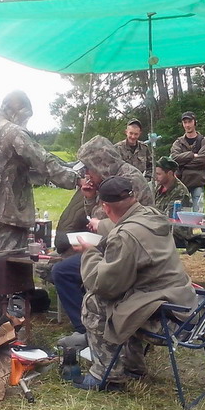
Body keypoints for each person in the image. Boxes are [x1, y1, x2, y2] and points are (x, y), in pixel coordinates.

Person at [71, 176, 196, 391]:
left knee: (95, 302)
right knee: (130, 298)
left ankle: (107, 375)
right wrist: (102, 226)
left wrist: (90, 253)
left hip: (166, 319)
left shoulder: (125, 237)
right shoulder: (152, 215)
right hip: (184, 306)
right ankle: (133, 367)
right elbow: (125, 224)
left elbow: (104, 285)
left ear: (105, 207)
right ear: (134, 196)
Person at [53, 135, 153, 340]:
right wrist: (90, 198)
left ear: (100, 164)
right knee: (63, 263)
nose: (86, 174)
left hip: (129, 250)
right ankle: (90, 324)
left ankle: (86, 331)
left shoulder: (127, 181)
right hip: (115, 244)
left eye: (89, 168)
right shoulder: (109, 178)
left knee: (63, 271)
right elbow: (97, 219)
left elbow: (111, 222)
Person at [0, 90, 79, 252]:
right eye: (26, 116)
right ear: (19, 111)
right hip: (9, 211)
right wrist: (74, 179)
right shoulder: (14, 132)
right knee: (10, 260)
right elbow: (43, 161)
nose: (25, 121)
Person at [170, 111, 205, 212]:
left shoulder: (204, 141)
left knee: (198, 213)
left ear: (195, 122)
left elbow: (204, 160)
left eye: (190, 122)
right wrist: (192, 155)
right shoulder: (178, 143)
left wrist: (183, 163)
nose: (187, 125)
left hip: (198, 181)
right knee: (180, 214)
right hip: (181, 183)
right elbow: (174, 159)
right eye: (185, 122)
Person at [152, 155, 192, 248]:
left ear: (169, 173)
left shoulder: (180, 192)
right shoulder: (159, 187)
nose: (155, 177)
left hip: (175, 232)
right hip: (158, 227)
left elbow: (170, 218)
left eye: (158, 174)